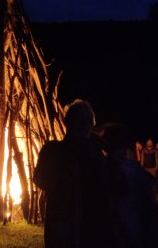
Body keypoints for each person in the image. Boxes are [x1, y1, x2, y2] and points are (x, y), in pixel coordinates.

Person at [33, 99, 118, 248]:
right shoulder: (52, 150)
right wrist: (72, 155)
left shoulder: (96, 154)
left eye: (88, 120)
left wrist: (109, 155)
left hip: (93, 227)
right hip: (63, 226)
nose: (84, 124)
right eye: (79, 119)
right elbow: (40, 180)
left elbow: (115, 186)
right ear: (68, 122)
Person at [101, 124, 158, 248]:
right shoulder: (100, 172)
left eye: (119, 144)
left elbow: (152, 211)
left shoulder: (134, 172)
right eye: (114, 145)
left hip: (133, 236)